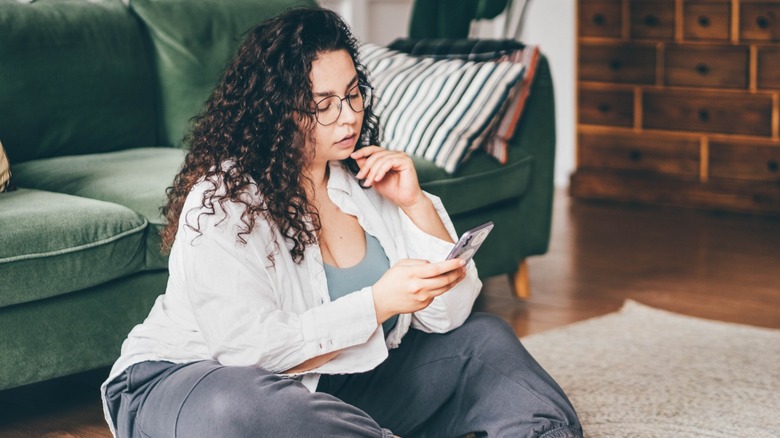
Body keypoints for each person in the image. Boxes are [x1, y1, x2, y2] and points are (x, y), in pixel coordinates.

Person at [101, 7, 582, 438]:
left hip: (330, 386)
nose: (348, 116)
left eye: (353, 95)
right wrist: (377, 303)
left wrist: (415, 205)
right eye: (322, 103)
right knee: (243, 407)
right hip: (195, 378)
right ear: (275, 109)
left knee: (484, 342)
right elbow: (247, 353)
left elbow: (447, 317)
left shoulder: (367, 183)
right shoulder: (224, 201)